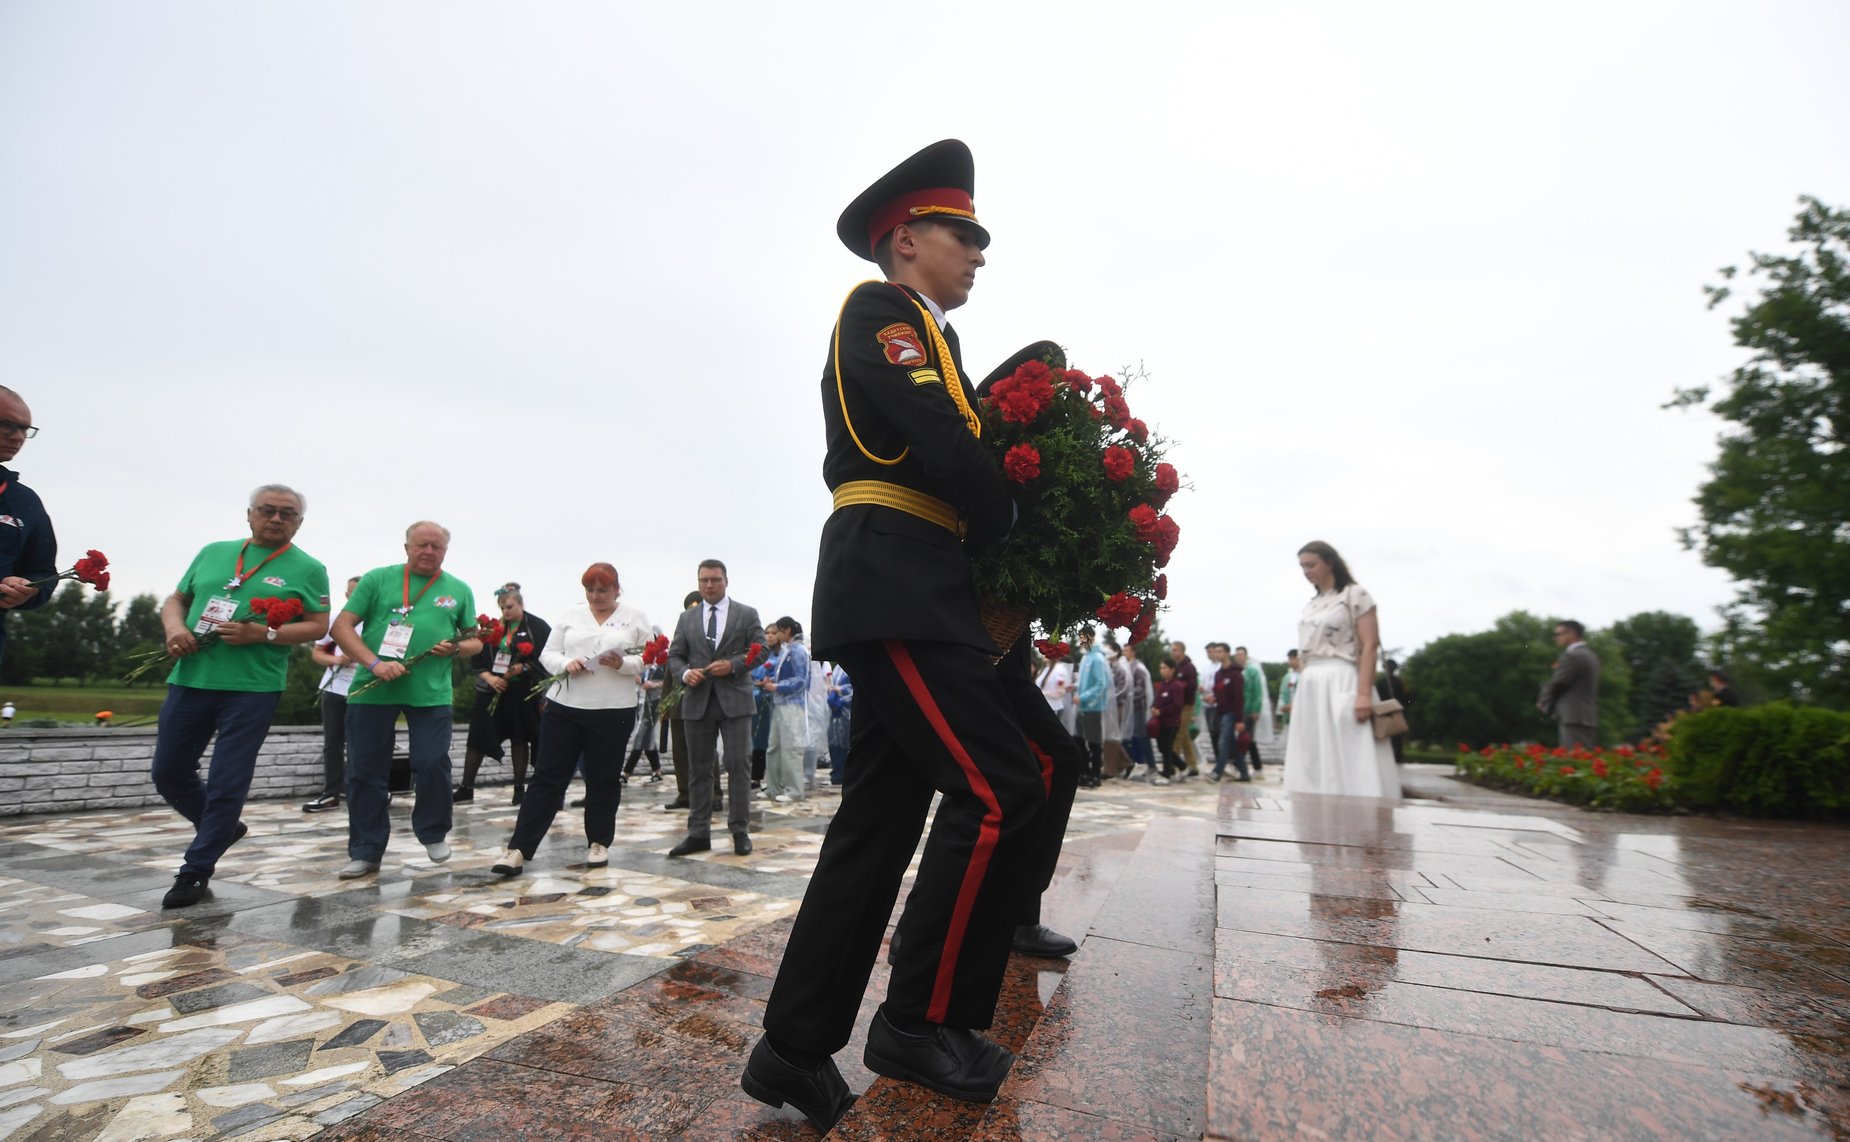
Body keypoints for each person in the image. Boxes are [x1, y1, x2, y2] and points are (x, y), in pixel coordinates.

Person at [744, 140, 1045, 1130]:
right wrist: (1014, 511)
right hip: (896, 576)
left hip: (911, 578)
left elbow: (957, 446)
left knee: (874, 827)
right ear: (906, 237)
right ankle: (919, 1017)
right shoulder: (882, 312)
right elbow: (943, 446)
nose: (977, 253)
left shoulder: (929, 329)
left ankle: (792, 1046)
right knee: (998, 786)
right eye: (964, 234)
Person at [151, 485, 331, 907]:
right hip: (191, 676)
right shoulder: (214, 551)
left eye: (287, 514)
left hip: (253, 688)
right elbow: (177, 599)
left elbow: (318, 624)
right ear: (249, 514)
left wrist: (264, 633)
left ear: (299, 523)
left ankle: (195, 870)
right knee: (168, 771)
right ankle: (222, 827)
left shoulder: (308, 568)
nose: (276, 518)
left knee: (228, 778)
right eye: (267, 510)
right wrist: (174, 629)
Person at [330, 521, 482, 879]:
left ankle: (433, 831)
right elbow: (341, 626)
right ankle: (366, 850)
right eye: (422, 545)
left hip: (430, 694)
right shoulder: (377, 579)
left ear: (446, 551)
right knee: (366, 770)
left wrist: (457, 646)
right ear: (407, 547)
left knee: (431, 761)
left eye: (437, 547)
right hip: (373, 688)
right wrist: (374, 663)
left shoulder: (458, 589)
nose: (429, 552)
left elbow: (475, 641)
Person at [490, 563, 652, 876]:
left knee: (603, 778)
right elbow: (547, 654)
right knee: (548, 777)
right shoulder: (570, 615)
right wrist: (567, 662)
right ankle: (519, 849)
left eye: (602, 590)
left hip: (613, 710)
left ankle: (599, 842)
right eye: (590, 590)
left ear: (616, 589)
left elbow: (646, 658)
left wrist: (622, 663)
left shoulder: (634, 616)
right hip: (566, 706)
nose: (596, 596)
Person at [1283, 540, 1400, 801]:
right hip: (1311, 683)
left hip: (1342, 679)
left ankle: (1362, 823)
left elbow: (1370, 645)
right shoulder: (1312, 603)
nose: (1306, 571)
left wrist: (1362, 694)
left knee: (1350, 752)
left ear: (1330, 562)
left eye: (1311, 565)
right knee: (1312, 755)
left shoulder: (1355, 594)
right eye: (1302, 566)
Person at [665, 559, 761, 857]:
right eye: (704, 580)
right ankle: (698, 832)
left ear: (726, 581)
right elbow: (675, 655)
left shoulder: (746, 614)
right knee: (699, 770)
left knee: (738, 766)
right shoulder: (687, 618)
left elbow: (761, 650)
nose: (709, 585)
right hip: (697, 700)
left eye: (715, 580)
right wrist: (684, 673)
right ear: (698, 582)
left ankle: (740, 830)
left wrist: (733, 665)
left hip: (735, 701)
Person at [453, 587, 550, 804]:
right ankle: (466, 787)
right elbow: (478, 659)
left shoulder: (537, 626)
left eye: (509, 607)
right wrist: (490, 678)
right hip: (492, 689)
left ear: (520, 605)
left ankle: (519, 788)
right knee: (477, 737)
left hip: (521, 691)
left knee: (520, 737)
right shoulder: (494, 629)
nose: (505, 611)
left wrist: (524, 668)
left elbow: (546, 656)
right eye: (502, 607)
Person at [0, 386, 57, 663]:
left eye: (25, 429)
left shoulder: (24, 501)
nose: (18, 437)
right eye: (7, 425)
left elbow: (43, 572)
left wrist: (28, 589)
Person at [304, 575, 361, 812]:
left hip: (365, 691)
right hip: (335, 688)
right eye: (351, 593)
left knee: (364, 743)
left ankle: (364, 789)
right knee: (333, 742)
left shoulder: (380, 621)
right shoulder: (336, 620)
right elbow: (317, 653)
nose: (355, 597)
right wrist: (337, 659)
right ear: (346, 595)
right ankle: (331, 792)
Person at [761, 616, 810, 803]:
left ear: (787, 631)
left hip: (792, 705)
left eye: (779, 631)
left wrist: (778, 686)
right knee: (774, 748)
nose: (777, 635)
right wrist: (772, 681)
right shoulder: (786, 650)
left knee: (791, 749)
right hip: (780, 703)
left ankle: (794, 790)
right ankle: (774, 786)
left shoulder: (798, 651)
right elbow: (781, 674)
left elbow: (801, 680)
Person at [663, 589, 703, 811]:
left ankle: (714, 794)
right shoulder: (681, 634)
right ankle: (684, 794)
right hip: (678, 703)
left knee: (704, 752)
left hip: (701, 701)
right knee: (679, 751)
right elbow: (670, 672)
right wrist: (665, 704)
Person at [1539, 619, 1601, 749]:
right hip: (1585, 716)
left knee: (1574, 760)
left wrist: (1544, 701)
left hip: (1572, 716)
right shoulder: (1590, 655)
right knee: (1583, 759)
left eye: (1558, 634)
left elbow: (1559, 683)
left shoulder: (1572, 655)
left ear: (1572, 633)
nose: (1556, 638)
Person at [623, 645, 666, 782]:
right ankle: (657, 771)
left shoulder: (665, 661)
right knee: (647, 740)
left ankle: (626, 772)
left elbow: (670, 682)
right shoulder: (646, 662)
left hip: (656, 703)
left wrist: (652, 684)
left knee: (640, 737)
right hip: (644, 702)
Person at [1207, 643, 1248, 781]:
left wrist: (1239, 719)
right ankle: (1244, 773)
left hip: (1231, 713)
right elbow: (1218, 692)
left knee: (1223, 743)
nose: (1217, 654)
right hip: (1220, 712)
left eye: (1220, 651)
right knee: (1231, 744)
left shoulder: (1236, 674)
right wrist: (1213, 698)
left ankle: (1217, 772)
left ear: (1227, 653)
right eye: (1216, 651)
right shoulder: (1218, 674)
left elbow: (1239, 698)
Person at [1074, 627, 1109, 788]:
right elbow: (1083, 682)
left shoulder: (1098, 659)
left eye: (1083, 638)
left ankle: (1095, 774)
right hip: (1081, 707)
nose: (1081, 642)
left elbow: (1101, 684)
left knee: (1094, 743)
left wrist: (1082, 697)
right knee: (1080, 740)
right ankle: (1084, 771)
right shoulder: (1085, 658)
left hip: (1093, 707)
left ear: (1091, 637)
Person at [1167, 642, 1201, 777]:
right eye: (1172, 650)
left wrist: (1187, 702)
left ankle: (1171, 765)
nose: (1173, 653)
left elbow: (1192, 687)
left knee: (1178, 735)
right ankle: (1193, 765)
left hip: (1186, 705)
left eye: (1176, 650)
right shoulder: (1176, 667)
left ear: (1182, 651)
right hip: (1177, 705)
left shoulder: (1189, 667)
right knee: (1185, 736)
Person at [1151, 660, 1187, 781]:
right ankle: (1179, 766)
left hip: (1172, 721)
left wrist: (1162, 711)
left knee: (1166, 746)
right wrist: (1154, 707)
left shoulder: (1176, 685)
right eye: (1161, 668)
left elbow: (1177, 704)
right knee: (1162, 747)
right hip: (1161, 721)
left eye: (1165, 668)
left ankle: (1168, 771)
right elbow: (1157, 699)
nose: (1162, 670)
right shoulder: (1162, 684)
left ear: (1172, 669)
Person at [1235, 645, 1268, 775]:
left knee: (1245, 738)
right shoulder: (1237, 671)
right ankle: (1256, 766)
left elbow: (1257, 691)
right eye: (1237, 655)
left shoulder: (1252, 671)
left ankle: (1242, 766)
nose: (1238, 657)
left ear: (1246, 655)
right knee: (1248, 739)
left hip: (1249, 710)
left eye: (1241, 654)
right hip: (1239, 710)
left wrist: (1256, 709)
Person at [1125, 646, 1154, 777]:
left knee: (1143, 736)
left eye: (1127, 650)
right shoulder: (1128, 666)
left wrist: (1127, 694)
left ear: (1133, 652)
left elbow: (1140, 689)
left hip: (1139, 708)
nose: (1124, 653)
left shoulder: (1138, 668)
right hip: (1131, 707)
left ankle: (1151, 765)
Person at [1276, 649, 1301, 753]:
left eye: (1292, 659)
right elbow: (1282, 693)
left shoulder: (1305, 675)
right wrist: (1283, 706)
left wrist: (1295, 706)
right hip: (1288, 713)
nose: (1290, 661)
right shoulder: (1287, 677)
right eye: (1289, 659)